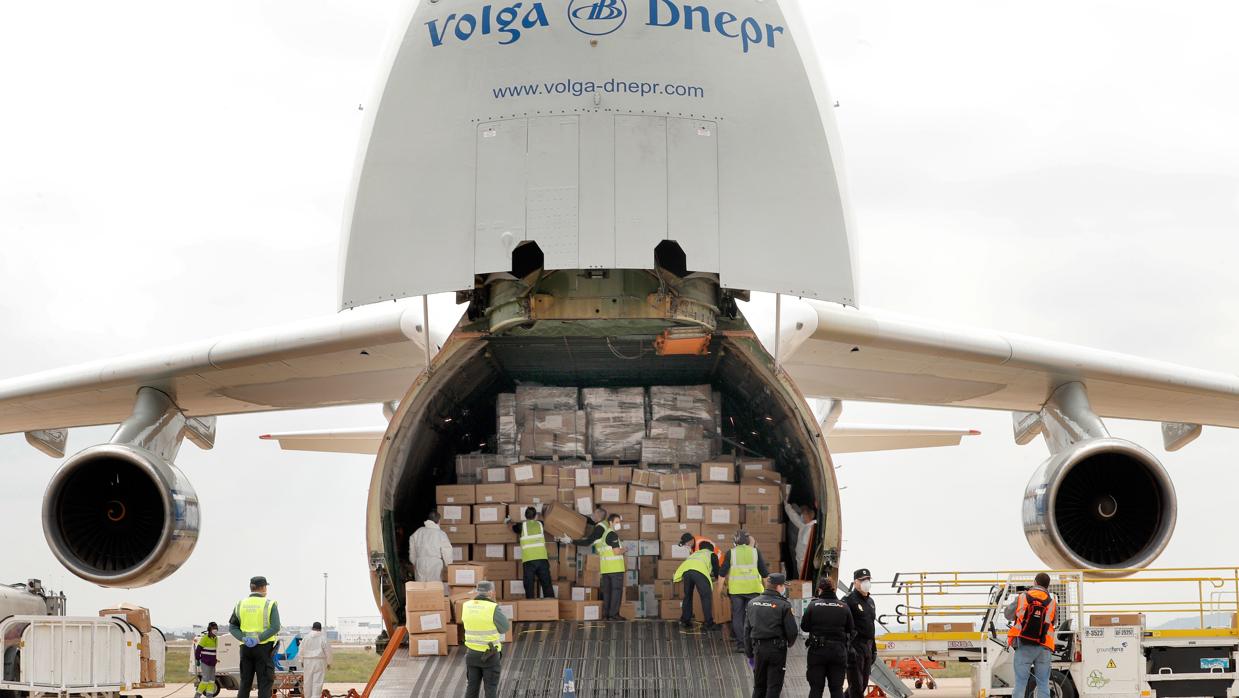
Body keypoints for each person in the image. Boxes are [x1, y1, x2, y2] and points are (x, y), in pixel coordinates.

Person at [745, 573, 799, 698]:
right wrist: (789, 644)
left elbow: (746, 630)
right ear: (779, 587)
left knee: (759, 686)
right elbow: (792, 631)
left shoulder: (752, 603)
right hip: (776, 650)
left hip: (758, 649)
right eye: (783, 586)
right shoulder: (784, 605)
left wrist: (749, 653)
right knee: (774, 687)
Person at [1004, 572, 1057, 698]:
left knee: (1020, 683)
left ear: (1035, 582)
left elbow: (1008, 615)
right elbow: (1054, 622)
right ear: (1047, 586)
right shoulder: (1052, 602)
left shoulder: (1022, 597)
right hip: (1044, 645)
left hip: (1024, 644)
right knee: (1043, 684)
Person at [228, 576, 281, 698]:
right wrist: (258, 639)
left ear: (251, 588)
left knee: (245, 682)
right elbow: (275, 627)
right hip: (263, 648)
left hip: (245, 648)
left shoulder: (240, 604)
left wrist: (243, 638)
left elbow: (233, 627)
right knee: (264, 683)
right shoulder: (269, 604)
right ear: (263, 587)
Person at [802, 578, 854, 698]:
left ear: (820, 589)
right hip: (838, 652)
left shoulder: (813, 605)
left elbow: (804, 627)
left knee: (816, 688)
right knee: (836, 689)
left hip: (817, 652)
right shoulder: (844, 606)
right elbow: (850, 629)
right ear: (834, 589)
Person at [721, 530, 770, 652]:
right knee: (753, 617)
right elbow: (764, 574)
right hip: (754, 590)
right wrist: (769, 591)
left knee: (738, 616)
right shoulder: (755, 552)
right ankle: (753, 643)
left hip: (736, 591)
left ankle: (741, 644)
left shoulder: (731, 553)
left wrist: (719, 590)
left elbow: (722, 574)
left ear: (735, 542)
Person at [462, 580, 511, 698]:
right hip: (490, 656)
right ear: (491, 592)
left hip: (471, 654)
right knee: (490, 688)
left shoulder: (466, 605)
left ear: (477, 591)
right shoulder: (492, 607)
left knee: (472, 687)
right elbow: (505, 628)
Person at [843, 569, 877, 698]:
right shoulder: (848, 600)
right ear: (855, 582)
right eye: (863, 580)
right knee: (856, 685)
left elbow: (871, 626)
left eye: (868, 580)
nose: (866, 583)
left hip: (867, 646)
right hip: (855, 646)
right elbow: (843, 625)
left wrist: (874, 649)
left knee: (862, 685)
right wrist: (848, 647)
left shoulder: (871, 602)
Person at [674, 540, 722, 629]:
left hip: (686, 571)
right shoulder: (711, 554)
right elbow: (717, 572)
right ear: (711, 549)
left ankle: (685, 621)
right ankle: (709, 623)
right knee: (706, 597)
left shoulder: (695, 554)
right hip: (699, 572)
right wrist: (718, 580)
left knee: (688, 596)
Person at [511, 507, 554, 599]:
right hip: (542, 559)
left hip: (529, 560)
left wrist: (509, 521)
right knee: (546, 583)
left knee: (529, 584)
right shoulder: (541, 524)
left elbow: (513, 528)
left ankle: (530, 604)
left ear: (525, 516)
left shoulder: (521, 526)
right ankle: (551, 604)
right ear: (535, 516)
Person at [409, 510, 454, 583]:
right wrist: (449, 565)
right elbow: (447, 550)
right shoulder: (440, 534)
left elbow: (412, 549)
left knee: (420, 587)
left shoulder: (418, 532)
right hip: (434, 564)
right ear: (439, 521)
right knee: (434, 587)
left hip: (420, 563)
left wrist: (414, 561)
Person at [783, 492, 817, 579]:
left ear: (808, 516)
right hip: (800, 560)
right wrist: (785, 503)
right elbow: (794, 517)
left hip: (806, 562)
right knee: (801, 579)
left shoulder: (812, 529)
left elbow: (809, 548)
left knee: (804, 581)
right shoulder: (804, 526)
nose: (801, 517)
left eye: (803, 515)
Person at [299, 621, 333, 698]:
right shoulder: (323, 638)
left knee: (307, 682)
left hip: (307, 661)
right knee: (317, 682)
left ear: (312, 628)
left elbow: (301, 649)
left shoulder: (306, 637)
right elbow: (328, 651)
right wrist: (329, 663)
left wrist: (301, 660)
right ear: (320, 629)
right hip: (319, 661)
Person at [192, 622, 219, 698]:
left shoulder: (216, 639)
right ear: (209, 629)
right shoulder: (205, 638)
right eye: (214, 628)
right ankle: (197, 696)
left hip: (212, 663)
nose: (215, 630)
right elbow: (198, 650)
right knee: (205, 680)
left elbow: (213, 651)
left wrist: (215, 659)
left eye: (216, 628)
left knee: (212, 681)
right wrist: (198, 659)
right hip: (205, 662)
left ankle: (209, 696)